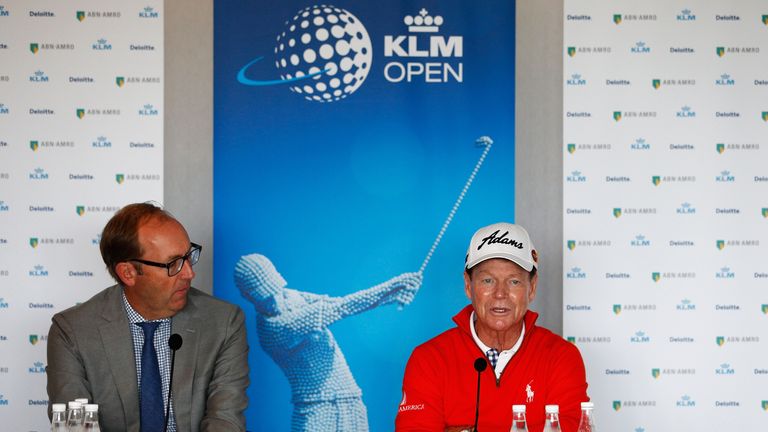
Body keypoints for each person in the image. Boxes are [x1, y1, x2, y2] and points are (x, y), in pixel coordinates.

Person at [46, 202, 249, 431]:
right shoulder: (72, 331)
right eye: (173, 263)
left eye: (188, 256)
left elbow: (225, 421)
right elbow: (74, 424)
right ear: (128, 273)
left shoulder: (224, 322)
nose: (189, 273)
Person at [395, 222, 588, 431]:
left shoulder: (561, 356)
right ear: (468, 285)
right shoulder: (429, 360)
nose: (500, 294)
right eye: (488, 280)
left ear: (532, 288)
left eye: (514, 281)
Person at [234, 253, 422, 432]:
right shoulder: (275, 328)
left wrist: (392, 295)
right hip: (318, 409)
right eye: (266, 297)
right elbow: (341, 307)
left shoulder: (290, 297)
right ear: (251, 298)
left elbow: (334, 303)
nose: (274, 300)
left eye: (275, 290)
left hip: (349, 400)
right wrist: (394, 285)